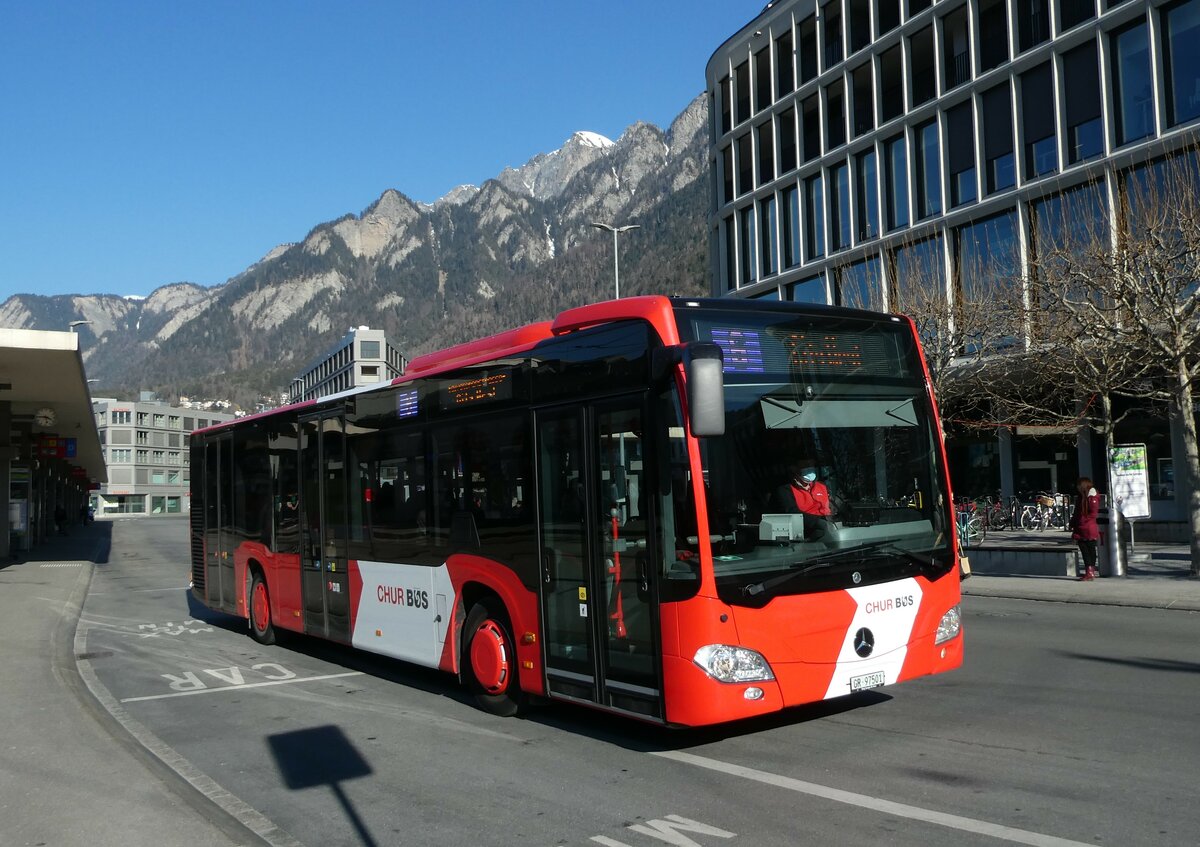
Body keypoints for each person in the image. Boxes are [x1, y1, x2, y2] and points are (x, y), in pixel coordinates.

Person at [775, 461, 834, 540]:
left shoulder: (822, 486)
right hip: (808, 537)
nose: (811, 467)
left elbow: (832, 505)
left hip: (832, 531)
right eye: (806, 465)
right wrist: (818, 522)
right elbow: (792, 514)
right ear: (794, 469)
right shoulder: (785, 491)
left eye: (812, 464)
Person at [1069, 477, 1101, 581]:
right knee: (1086, 550)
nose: (1077, 487)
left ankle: (1090, 571)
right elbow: (1077, 512)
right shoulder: (1081, 497)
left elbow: (1093, 513)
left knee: (1089, 551)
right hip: (1081, 527)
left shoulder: (1092, 497)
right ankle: (1090, 571)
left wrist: (1081, 521)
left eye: (1078, 485)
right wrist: (1073, 523)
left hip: (1087, 527)